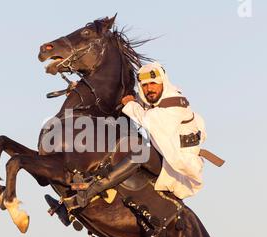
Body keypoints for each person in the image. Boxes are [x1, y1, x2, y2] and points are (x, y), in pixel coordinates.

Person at [76, 61, 208, 207]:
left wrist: (131, 105)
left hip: (177, 168)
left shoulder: (175, 103)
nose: (149, 89)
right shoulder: (150, 101)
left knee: (141, 150)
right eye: (144, 85)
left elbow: (148, 120)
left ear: (163, 83)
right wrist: (84, 91)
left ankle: (93, 190)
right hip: (163, 155)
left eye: (153, 83)